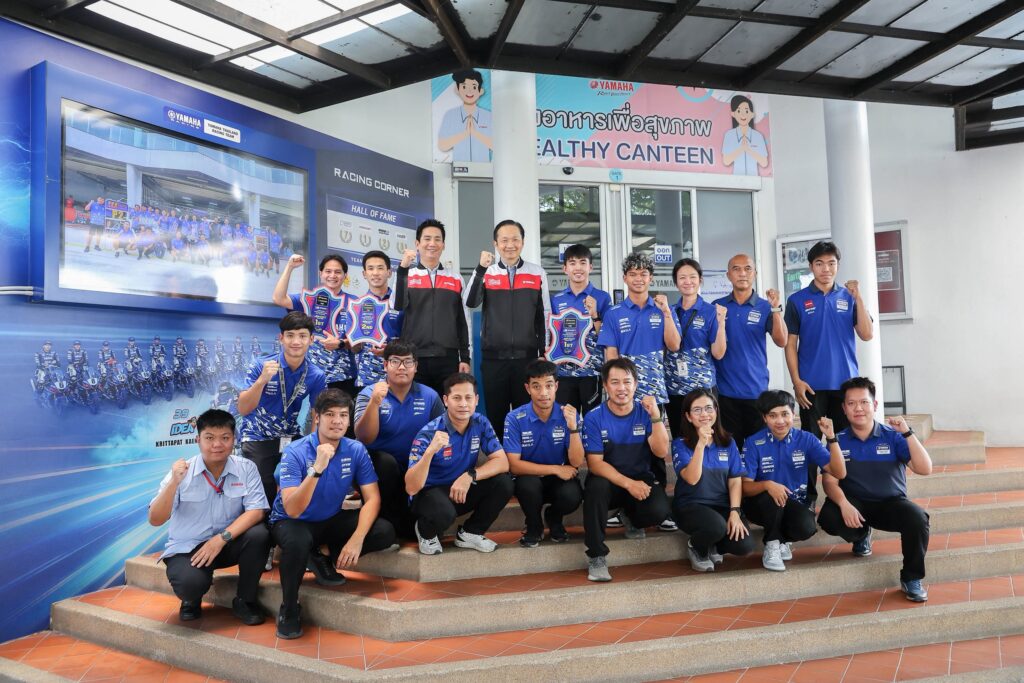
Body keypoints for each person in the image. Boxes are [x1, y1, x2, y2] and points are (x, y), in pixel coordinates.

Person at [269, 389, 396, 639]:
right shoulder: (295, 451)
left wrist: (356, 539)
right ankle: (289, 607)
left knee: (384, 531)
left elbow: (372, 499)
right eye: (330, 414)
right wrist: (316, 469)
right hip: (292, 521)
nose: (337, 421)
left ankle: (321, 555)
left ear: (349, 420)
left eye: (343, 415)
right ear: (317, 417)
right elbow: (293, 508)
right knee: (297, 541)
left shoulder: (355, 449)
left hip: (328, 519)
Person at [148, 409, 269, 625]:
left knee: (260, 534)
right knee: (190, 585)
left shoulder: (246, 468)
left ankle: (245, 600)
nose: (217, 445)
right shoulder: (182, 472)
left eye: (225, 438)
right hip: (189, 548)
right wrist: (174, 483)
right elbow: (155, 519)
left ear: (234, 439)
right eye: (209, 438)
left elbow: (256, 510)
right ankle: (192, 598)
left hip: (226, 542)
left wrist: (220, 539)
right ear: (198, 440)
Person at [818, 377, 932, 602]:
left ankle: (911, 578)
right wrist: (844, 504)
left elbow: (924, 468)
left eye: (864, 402)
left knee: (917, 518)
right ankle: (861, 535)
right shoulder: (837, 440)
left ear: (875, 405)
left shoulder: (893, 436)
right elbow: (829, 482)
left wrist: (907, 433)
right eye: (851, 403)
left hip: (890, 504)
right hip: (855, 505)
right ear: (844, 408)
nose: (858, 408)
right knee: (829, 517)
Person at [785, 241, 874, 507]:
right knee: (810, 444)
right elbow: (790, 344)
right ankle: (808, 500)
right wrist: (796, 381)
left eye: (831, 263)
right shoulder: (797, 300)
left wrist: (858, 297)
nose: (826, 269)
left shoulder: (849, 297)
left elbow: (867, 334)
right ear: (811, 266)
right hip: (811, 387)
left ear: (838, 265)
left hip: (846, 388)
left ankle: (848, 498)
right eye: (820, 263)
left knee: (846, 446)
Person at [597, 252, 680, 532]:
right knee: (624, 447)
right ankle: (623, 505)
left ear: (651, 278)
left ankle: (657, 504)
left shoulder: (662, 309)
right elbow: (610, 356)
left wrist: (666, 312)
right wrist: (612, 390)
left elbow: (674, 345)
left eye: (644, 274)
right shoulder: (614, 313)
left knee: (656, 449)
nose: (638, 278)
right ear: (625, 278)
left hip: (654, 392)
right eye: (633, 274)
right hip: (623, 393)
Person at [581, 358, 671, 582]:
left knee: (659, 511)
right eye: (615, 382)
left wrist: (656, 416)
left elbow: (661, 451)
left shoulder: (646, 412)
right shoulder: (594, 417)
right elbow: (595, 464)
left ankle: (629, 516)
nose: (622, 388)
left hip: (640, 479)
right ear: (605, 385)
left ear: (636, 384)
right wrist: (628, 484)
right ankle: (596, 555)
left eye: (627, 382)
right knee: (596, 488)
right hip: (610, 481)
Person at [405, 373, 513, 555]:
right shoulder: (429, 433)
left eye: (468, 398)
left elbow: (502, 462)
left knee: (504, 483)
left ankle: (471, 533)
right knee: (443, 512)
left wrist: (470, 475)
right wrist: (430, 451)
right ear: (446, 400)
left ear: (476, 400)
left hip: (461, 488)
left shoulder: (480, 422)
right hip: (429, 493)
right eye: (457, 398)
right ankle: (425, 532)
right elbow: (411, 488)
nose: (463, 404)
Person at [741, 390, 846, 572]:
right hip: (761, 504)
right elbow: (745, 487)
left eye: (785, 414)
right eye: (773, 416)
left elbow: (839, 472)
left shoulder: (806, 439)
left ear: (793, 414)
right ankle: (772, 543)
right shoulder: (753, 443)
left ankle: (782, 540)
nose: (780, 421)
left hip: (794, 502)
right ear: (764, 418)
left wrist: (831, 437)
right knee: (773, 497)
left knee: (806, 528)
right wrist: (767, 485)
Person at [465, 219, 550, 440]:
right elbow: (471, 302)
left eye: (515, 239)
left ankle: (524, 457)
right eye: (504, 240)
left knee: (526, 416)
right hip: (494, 360)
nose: (510, 245)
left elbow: (544, 315)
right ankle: (500, 457)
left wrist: (543, 352)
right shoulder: (487, 272)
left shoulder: (537, 273)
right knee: (497, 415)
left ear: (523, 242)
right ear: (496, 243)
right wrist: (480, 269)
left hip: (527, 359)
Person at [237, 312, 327, 520]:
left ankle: (288, 526)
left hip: (290, 436)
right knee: (263, 489)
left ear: (311, 339)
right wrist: (262, 380)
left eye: (302, 336)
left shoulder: (316, 374)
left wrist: (314, 445)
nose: (296, 342)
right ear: (281, 338)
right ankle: (261, 530)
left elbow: (317, 413)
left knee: (304, 479)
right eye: (290, 335)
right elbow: (243, 408)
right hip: (258, 436)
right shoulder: (261, 365)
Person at [353, 341, 444, 538]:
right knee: (386, 463)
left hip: (414, 466)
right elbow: (364, 437)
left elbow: (443, 436)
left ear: (416, 366)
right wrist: (374, 403)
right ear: (385, 365)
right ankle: (383, 519)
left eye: (408, 362)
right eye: (395, 361)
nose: (402, 367)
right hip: (379, 468)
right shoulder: (369, 393)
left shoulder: (430, 396)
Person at [671, 389, 754, 573]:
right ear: (688, 416)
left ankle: (714, 544)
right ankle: (696, 547)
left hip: (721, 505)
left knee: (744, 545)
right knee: (716, 526)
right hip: (691, 506)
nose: (704, 414)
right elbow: (692, 479)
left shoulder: (728, 442)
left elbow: (735, 480)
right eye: (697, 410)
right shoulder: (680, 443)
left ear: (716, 411)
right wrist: (701, 444)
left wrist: (735, 511)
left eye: (709, 408)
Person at [503, 360, 584, 547]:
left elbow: (577, 462)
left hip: (558, 480)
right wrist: (555, 469)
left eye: (548, 385)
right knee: (527, 486)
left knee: (572, 495)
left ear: (556, 386)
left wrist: (573, 428)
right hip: (529, 476)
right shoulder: (514, 418)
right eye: (536, 386)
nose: (543, 393)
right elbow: (514, 465)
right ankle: (534, 525)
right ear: (527, 388)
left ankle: (554, 518)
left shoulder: (568, 415)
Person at [713, 254, 787, 450]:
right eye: (736, 269)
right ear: (728, 275)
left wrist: (776, 309)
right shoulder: (717, 307)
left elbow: (782, 341)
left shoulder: (765, 306)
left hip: (756, 391)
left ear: (755, 273)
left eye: (747, 268)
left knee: (759, 451)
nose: (742, 273)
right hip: (725, 393)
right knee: (730, 451)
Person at [392, 220, 471, 396]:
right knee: (417, 407)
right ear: (417, 244)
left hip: (448, 358)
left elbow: (463, 321)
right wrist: (403, 270)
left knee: (447, 407)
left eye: (437, 239)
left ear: (443, 245)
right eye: (427, 239)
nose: (432, 243)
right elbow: (397, 305)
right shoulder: (407, 275)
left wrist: (465, 357)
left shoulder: (456, 279)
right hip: (414, 357)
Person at [273, 253, 358, 399]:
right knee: (311, 413)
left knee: (340, 414)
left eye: (338, 272)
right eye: (328, 271)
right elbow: (278, 298)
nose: (332, 275)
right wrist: (290, 267)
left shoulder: (354, 302)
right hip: (310, 375)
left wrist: (341, 343)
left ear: (345, 275)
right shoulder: (309, 299)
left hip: (343, 377)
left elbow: (360, 343)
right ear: (321, 274)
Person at [665, 258, 727, 438]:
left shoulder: (711, 311)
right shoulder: (668, 311)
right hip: (674, 387)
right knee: (679, 437)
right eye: (682, 277)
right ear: (675, 282)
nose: (688, 281)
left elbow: (718, 353)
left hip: (703, 388)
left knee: (706, 436)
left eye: (692, 277)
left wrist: (721, 323)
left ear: (700, 280)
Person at [549, 244, 612, 414]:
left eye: (583, 262)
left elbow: (608, 336)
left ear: (591, 267)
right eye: (572, 263)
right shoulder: (556, 299)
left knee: (592, 420)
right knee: (566, 421)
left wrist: (595, 315)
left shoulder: (602, 297)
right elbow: (552, 336)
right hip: (563, 373)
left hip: (592, 372)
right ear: (565, 269)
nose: (578, 268)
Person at [353, 251, 404, 391]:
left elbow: (410, 338)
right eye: (370, 268)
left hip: (399, 374)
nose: (375, 273)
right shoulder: (357, 305)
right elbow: (354, 348)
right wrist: (357, 341)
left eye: (380, 268)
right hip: (367, 377)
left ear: (389, 272)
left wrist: (391, 349)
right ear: (364, 274)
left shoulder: (401, 303)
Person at [437, 68, 492, 162]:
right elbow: (442, 145)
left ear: (480, 91)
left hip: (483, 169)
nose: (469, 91)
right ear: (457, 90)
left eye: (474, 87)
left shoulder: (488, 116)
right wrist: (465, 134)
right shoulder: (450, 115)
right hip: (459, 168)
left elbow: (496, 145)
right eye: (464, 87)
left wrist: (475, 133)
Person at [722, 95, 768, 176]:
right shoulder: (729, 135)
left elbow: (764, 163)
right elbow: (726, 161)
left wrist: (748, 150)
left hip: (754, 180)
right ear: (733, 114)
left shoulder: (758, 136)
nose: (743, 115)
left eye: (746, 111)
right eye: (739, 111)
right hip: (736, 180)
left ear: (752, 114)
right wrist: (741, 149)